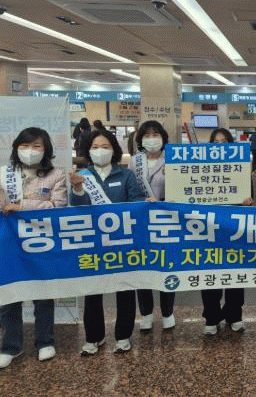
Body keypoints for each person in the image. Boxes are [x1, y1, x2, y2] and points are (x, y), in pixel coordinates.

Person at [0, 128, 67, 369]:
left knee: (43, 293)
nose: (30, 151)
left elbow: (58, 205)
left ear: (46, 150)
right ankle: (10, 347)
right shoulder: (2, 172)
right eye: (25, 146)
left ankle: (45, 342)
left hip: (41, 242)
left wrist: (23, 207)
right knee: (9, 294)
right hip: (7, 243)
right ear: (16, 148)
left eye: (36, 146)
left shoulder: (56, 175)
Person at [70, 129, 144, 355]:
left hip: (122, 242)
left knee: (125, 289)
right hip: (93, 243)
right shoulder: (82, 175)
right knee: (93, 290)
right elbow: (77, 208)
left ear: (114, 150)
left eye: (105, 147)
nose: (100, 151)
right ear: (88, 151)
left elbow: (136, 202)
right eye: (95, 147)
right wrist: (77, 189)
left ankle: (123, 336)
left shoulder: (126, 175)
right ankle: (94, 337)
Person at [200, 127, 253, 335]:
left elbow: (249, 195)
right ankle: (211, 317)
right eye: (216, 143)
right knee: (210, 272)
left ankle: (234, 314)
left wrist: (248, 200)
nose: (220, 147)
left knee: (235, 272)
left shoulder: (241, 167)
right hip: (209, 226)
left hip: (234, 227)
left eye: (224, 142)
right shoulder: (200, 168)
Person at [128, 120, 176, 332]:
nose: (151, 139)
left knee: (166, 263)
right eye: (147, 135)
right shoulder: (134, 161)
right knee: (143, 265)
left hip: (166, 218)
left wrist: (164, 199)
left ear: (163, 136)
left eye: (155, 134)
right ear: (140, 139)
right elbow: (130, 190)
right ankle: (146, 313)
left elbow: (182, 189)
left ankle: (168, 312)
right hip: (141, 220)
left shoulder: (172, 159)